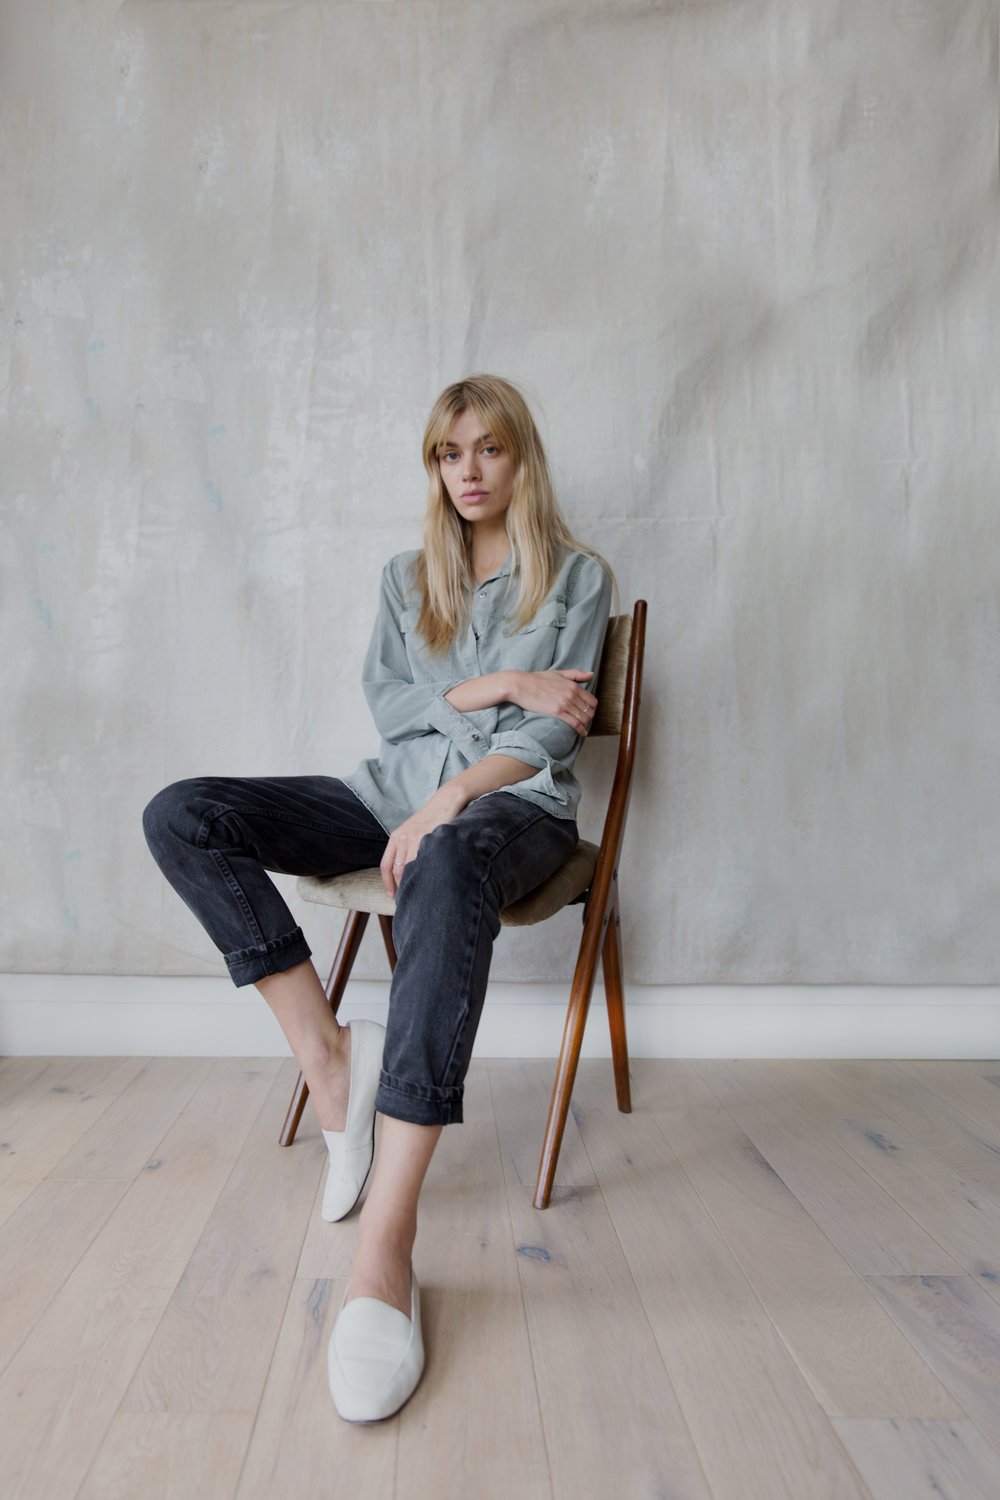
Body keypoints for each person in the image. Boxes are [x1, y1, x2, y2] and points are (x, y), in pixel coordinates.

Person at [141, 372, 617, 1423]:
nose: (469, 472)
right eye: (450, 454)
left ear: (521, 457)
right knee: (184, 815)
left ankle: (386, 1249)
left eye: (489, 449)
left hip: (514, 809)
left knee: (445, 858)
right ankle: (329, 1059)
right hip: (385, 796)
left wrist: (452, 791)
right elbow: (390, 706)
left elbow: (556, 731)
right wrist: (504, 684)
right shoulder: (408, 578)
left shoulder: (577, 578)